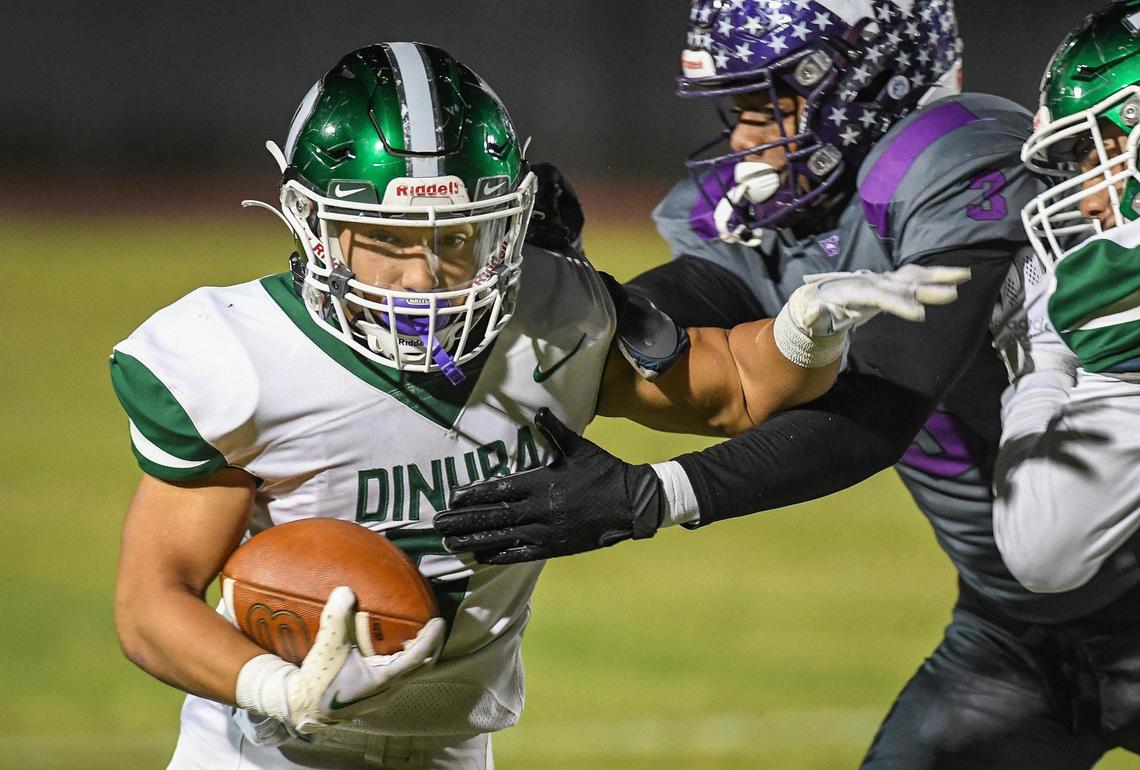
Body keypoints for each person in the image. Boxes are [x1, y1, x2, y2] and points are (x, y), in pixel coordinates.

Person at [109, 42, 961, 770]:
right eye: (388, 241)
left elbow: (733, 390)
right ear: (316, 226)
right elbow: (152, 602)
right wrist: (279, 688)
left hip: (453, 745)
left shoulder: (551, 309)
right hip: (268, 753)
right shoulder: (238, 358)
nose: (425, 276)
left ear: (509, 223)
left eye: (457, 238)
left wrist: (808, 330)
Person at [435, 2, 1140, 766]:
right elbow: (674, 320)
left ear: (864, 78)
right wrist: (570, 293)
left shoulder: (959, 162)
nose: (743, 136)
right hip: (1015, 629)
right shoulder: (786, 208)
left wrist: (656, 496)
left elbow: (880, 404)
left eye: (764, 103)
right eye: (737, 107)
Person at [990, 1, 1140, 757]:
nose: (1085, 196)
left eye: (1100, 154)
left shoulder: (1116, 300)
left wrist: (1040, 365)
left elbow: (1041, 545)